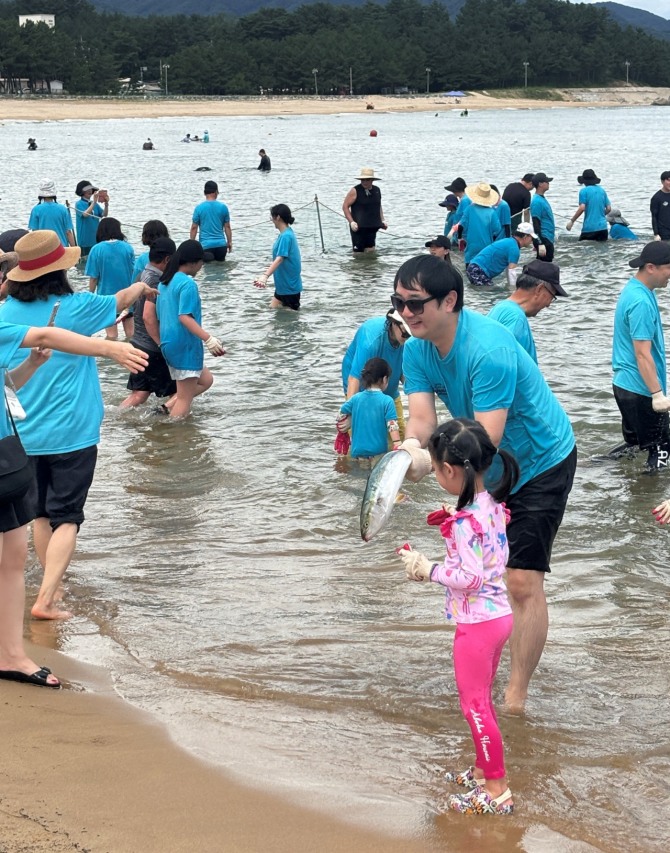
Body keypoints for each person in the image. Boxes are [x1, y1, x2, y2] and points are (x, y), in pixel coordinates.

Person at [393, 255, 576, 712]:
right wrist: (409, 455)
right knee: (485, 576)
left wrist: (434, 465)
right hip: (484, 467)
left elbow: (485, 441)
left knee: (519, 580)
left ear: (450, 300)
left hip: (540, 460)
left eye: (416, 303)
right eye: (399, 303)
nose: (407, 313)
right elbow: (420, 420)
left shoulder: (489, 348)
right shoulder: (415, 349)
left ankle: (515, 697)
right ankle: (485, 671)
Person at [1, 230, 153, 621]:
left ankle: (53, 584)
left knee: (39, 514)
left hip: (22, 431)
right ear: (60, 271)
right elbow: (118, 301)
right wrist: (142, 284)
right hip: (73, 428)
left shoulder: (4, 315)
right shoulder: (78, 306)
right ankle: (47, 598)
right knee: (68, 515)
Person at [0, 313, 148, 687]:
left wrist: (31, 364)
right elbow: (48, 332)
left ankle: (11, 656)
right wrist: (108, 347)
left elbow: (6, 388)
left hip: (9, 456)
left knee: (14, 557)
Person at [396, 418, 519, 815]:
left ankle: (497, 789)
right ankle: (484, 772)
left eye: (434, 468)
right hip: (499, 616)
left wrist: (426, 568)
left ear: (450, 471)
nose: (434, 473)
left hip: (478, 625)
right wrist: (452, 520)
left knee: (475, 705)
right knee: (481, 699)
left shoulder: (468, 522)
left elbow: (469, 576)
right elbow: (489, 552)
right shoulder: (491, 504)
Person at [611, 241, 670, 471]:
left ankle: (597, 466)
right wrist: (657, 395)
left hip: (625, 385)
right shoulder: (641, 302)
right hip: (641, 389)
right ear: (651, 267)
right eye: (669, 268)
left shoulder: (634, 290)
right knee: (662, 450)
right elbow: (642, 354)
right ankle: (649, 500)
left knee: (635, 445)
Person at [156, 240, 225, 419]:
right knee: (185, 400)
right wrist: (208, 339)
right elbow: (184, 317)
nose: (202, 266)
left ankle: (165, 409)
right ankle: (174, 435)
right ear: (194, 262)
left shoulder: (165, 282)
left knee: (206, 379)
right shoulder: (187, 284)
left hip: (168, 343)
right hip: (184, 344)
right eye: (201, 262)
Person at [120, 237, 178, 410]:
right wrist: (162, 345)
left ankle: (113, 419)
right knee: (179, 393)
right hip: (152, 347)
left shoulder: (141, 276)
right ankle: (163, 420)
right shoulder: (156, 281)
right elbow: (148, 317)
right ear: (168, 259)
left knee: (139, 394)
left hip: (138, 343)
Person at [341, 309, 411, 436]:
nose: (408, 339)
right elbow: (354, 379)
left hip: (389, 387)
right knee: (359, 435)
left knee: (400, 433)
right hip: (361, 388)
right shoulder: (371, 341)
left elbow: (406, 374)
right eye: (406, 334)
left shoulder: (408, 341)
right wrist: (351, 413)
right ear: (394, 324)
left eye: (411, 335)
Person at [488, 260, 569, 363]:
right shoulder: (516, 318)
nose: (548, 304)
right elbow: (502, 362)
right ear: (539, 289)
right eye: (552, 296)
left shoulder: (500, 307)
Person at [338, 357, 400, 463]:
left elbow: (341, 413)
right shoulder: (387, 401)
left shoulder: (355, 398)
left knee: (357, 478)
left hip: (357, 453)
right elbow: (392, 425)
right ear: (385, 379)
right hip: (378, 453)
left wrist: (349, 420)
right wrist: (397, 443)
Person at [86, 218, 136, 340]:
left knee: (112, 335)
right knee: (131, 333)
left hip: (107, 298)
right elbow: (133, 272)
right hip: (127, 296)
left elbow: (93, 277)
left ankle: (111, 359)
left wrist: (90, 296)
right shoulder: (127, 248)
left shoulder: (96, 249)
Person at [253, 204, 303, 310]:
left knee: (290, 322)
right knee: (271, 311)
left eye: (272, 217)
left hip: (289, 288)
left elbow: (280, 258)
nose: (271, 220)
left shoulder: (286, 236)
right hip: (282, 287)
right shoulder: (284, 234)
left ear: (278, 217)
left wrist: (265, 276)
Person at [465, 222, 536, 288]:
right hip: (479, 270)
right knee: (488, 292)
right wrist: (514, 291)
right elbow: (512, 273)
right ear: (525, 237)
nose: (531, 241)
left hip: (473, 267)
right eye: (531, 238)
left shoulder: (509, 242)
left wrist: (511, 286)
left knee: (484, 291)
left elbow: (509, 270)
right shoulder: (514, 249)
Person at [342, 168, 387, 253]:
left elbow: (378, 206)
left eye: (367, 180)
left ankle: (370, 266)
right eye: (362, 180)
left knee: (371, 251)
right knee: (358, 254)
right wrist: (351, 222)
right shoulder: (355, 190)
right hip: (358, 228)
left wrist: (383, 220)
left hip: (372, 227)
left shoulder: (377, 190)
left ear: (372, 180)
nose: (365, 182)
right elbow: (345, 206)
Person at [458, 183, 502, 264]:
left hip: (471, 248)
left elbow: (461, 226)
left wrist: (460, 238)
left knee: (469, 271)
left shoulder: (469, 209)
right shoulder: (492, 212)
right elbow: (497, 230)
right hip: (486, 248)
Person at [189, 180, 232, 262]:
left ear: (205, 193)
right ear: (216, 192)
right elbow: (227, 227)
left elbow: (194, 228)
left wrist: (192, 245)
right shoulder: (223, 207)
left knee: (209, 272)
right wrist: (229, 242)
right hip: (221, 246)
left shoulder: (199, 208)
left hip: (206, 246)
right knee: (221, 271)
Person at [566, 169, 611, 241]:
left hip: (589, 228)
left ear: (584, 181)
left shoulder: (584, 191)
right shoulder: (602, 191)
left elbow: (582, 208)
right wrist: (601, 215)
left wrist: (572, 221)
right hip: (603, 228)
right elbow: (608, 208)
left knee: (584, 249)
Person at [28, 180, 75, 248]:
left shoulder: (36, 210)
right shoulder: (63, 209)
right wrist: (74, 249)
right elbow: (68, 232)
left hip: (44, 249)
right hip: (62, 249)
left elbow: (34, 233)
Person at [74, 180, 108, 256]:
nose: (90, 191)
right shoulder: (79, 204)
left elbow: (104, 214)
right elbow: (85, 215)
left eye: (91, 189)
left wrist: (106, 205)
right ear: (82, 191)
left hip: (95, 239)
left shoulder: (94, 204)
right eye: (87, 190)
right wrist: (94, 202)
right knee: (84, 261)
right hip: (85, 240)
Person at [530, 172, 555, 261]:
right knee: (545, 267)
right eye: (546, 181)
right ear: (540, 184)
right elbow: (536, 223)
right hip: (544, 239)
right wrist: (539, 243)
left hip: (548, 238)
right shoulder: (536, 201)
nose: (548, 183)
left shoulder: (541, 199)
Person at [650, 171, 670, 242]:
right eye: (668, 180)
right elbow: (654, 216)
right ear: (662, 181)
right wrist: (656, 234)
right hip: (664, 233)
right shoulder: (656, 198)